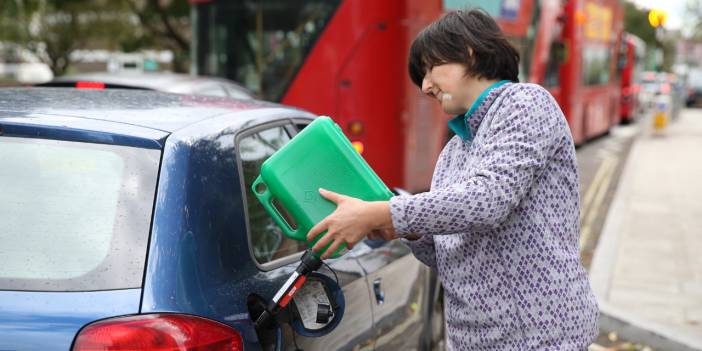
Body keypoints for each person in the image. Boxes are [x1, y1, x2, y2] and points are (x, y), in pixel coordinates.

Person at [306, 8, 599, 350]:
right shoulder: (454, 151)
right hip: (473, 339)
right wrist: (410, 230)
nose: (426, 86)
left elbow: (488, 200)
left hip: (539, 337)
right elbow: (448, 255)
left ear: (468, 52)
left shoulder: (525, 103)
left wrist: (383, 212)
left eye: (431, 69)